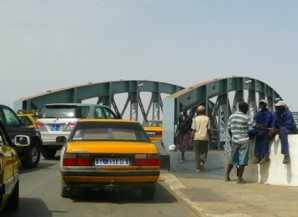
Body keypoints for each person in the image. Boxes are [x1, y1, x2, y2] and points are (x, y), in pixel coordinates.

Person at [225, 102, 269, 184]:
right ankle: (239, 179)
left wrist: (232, 137)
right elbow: (256, 126)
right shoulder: (246, 117)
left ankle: (227, 176)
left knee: (232, 158)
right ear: (245, 108)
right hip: (244, 141)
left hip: (234, 140)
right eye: (247, 108)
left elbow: (229, 128)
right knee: (243, 160)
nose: (248, 110)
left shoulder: (232, 116)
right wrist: (268, 129)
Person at [248, 99, 273, 164]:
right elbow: (254, 122)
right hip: (258, 128)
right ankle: (245, 151)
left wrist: (258, 125)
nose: (261, 105)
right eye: (260, 104)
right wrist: (259, 125)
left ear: (266, 105)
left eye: (263, 104)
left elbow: (266, 125)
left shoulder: (269, 114)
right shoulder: (258, 113)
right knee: (248, 133)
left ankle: (259, 156)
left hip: (265, 129)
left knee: (260, 135)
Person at [189, 105, 211, 173]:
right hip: (204, 137)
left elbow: (193, 130)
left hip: (197, 138)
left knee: (197, 153)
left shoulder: (195, 119)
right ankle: (202, 161)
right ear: (204, 111)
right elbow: (209, 130)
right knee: (204, 151)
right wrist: (210, 138)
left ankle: (198, 168)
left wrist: (191, 139)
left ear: (198, 111)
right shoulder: (207, 118)